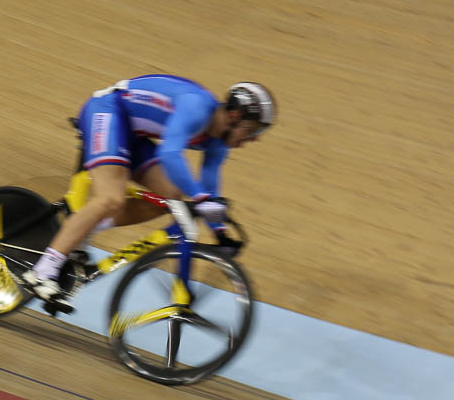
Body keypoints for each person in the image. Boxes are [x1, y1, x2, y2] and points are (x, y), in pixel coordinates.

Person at [21, 78, 276, 314]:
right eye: (252, 131)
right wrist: (200, 198)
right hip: (108, 111)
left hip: (133, 133)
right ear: (234, 115)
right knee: (110, 199)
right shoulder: (198, 107)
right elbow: (170, 154)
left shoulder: (217, 143)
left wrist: (220, 232)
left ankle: (84, 226)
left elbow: (208, 185)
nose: (253, 140)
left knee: (172, 199)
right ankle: (42, 273)